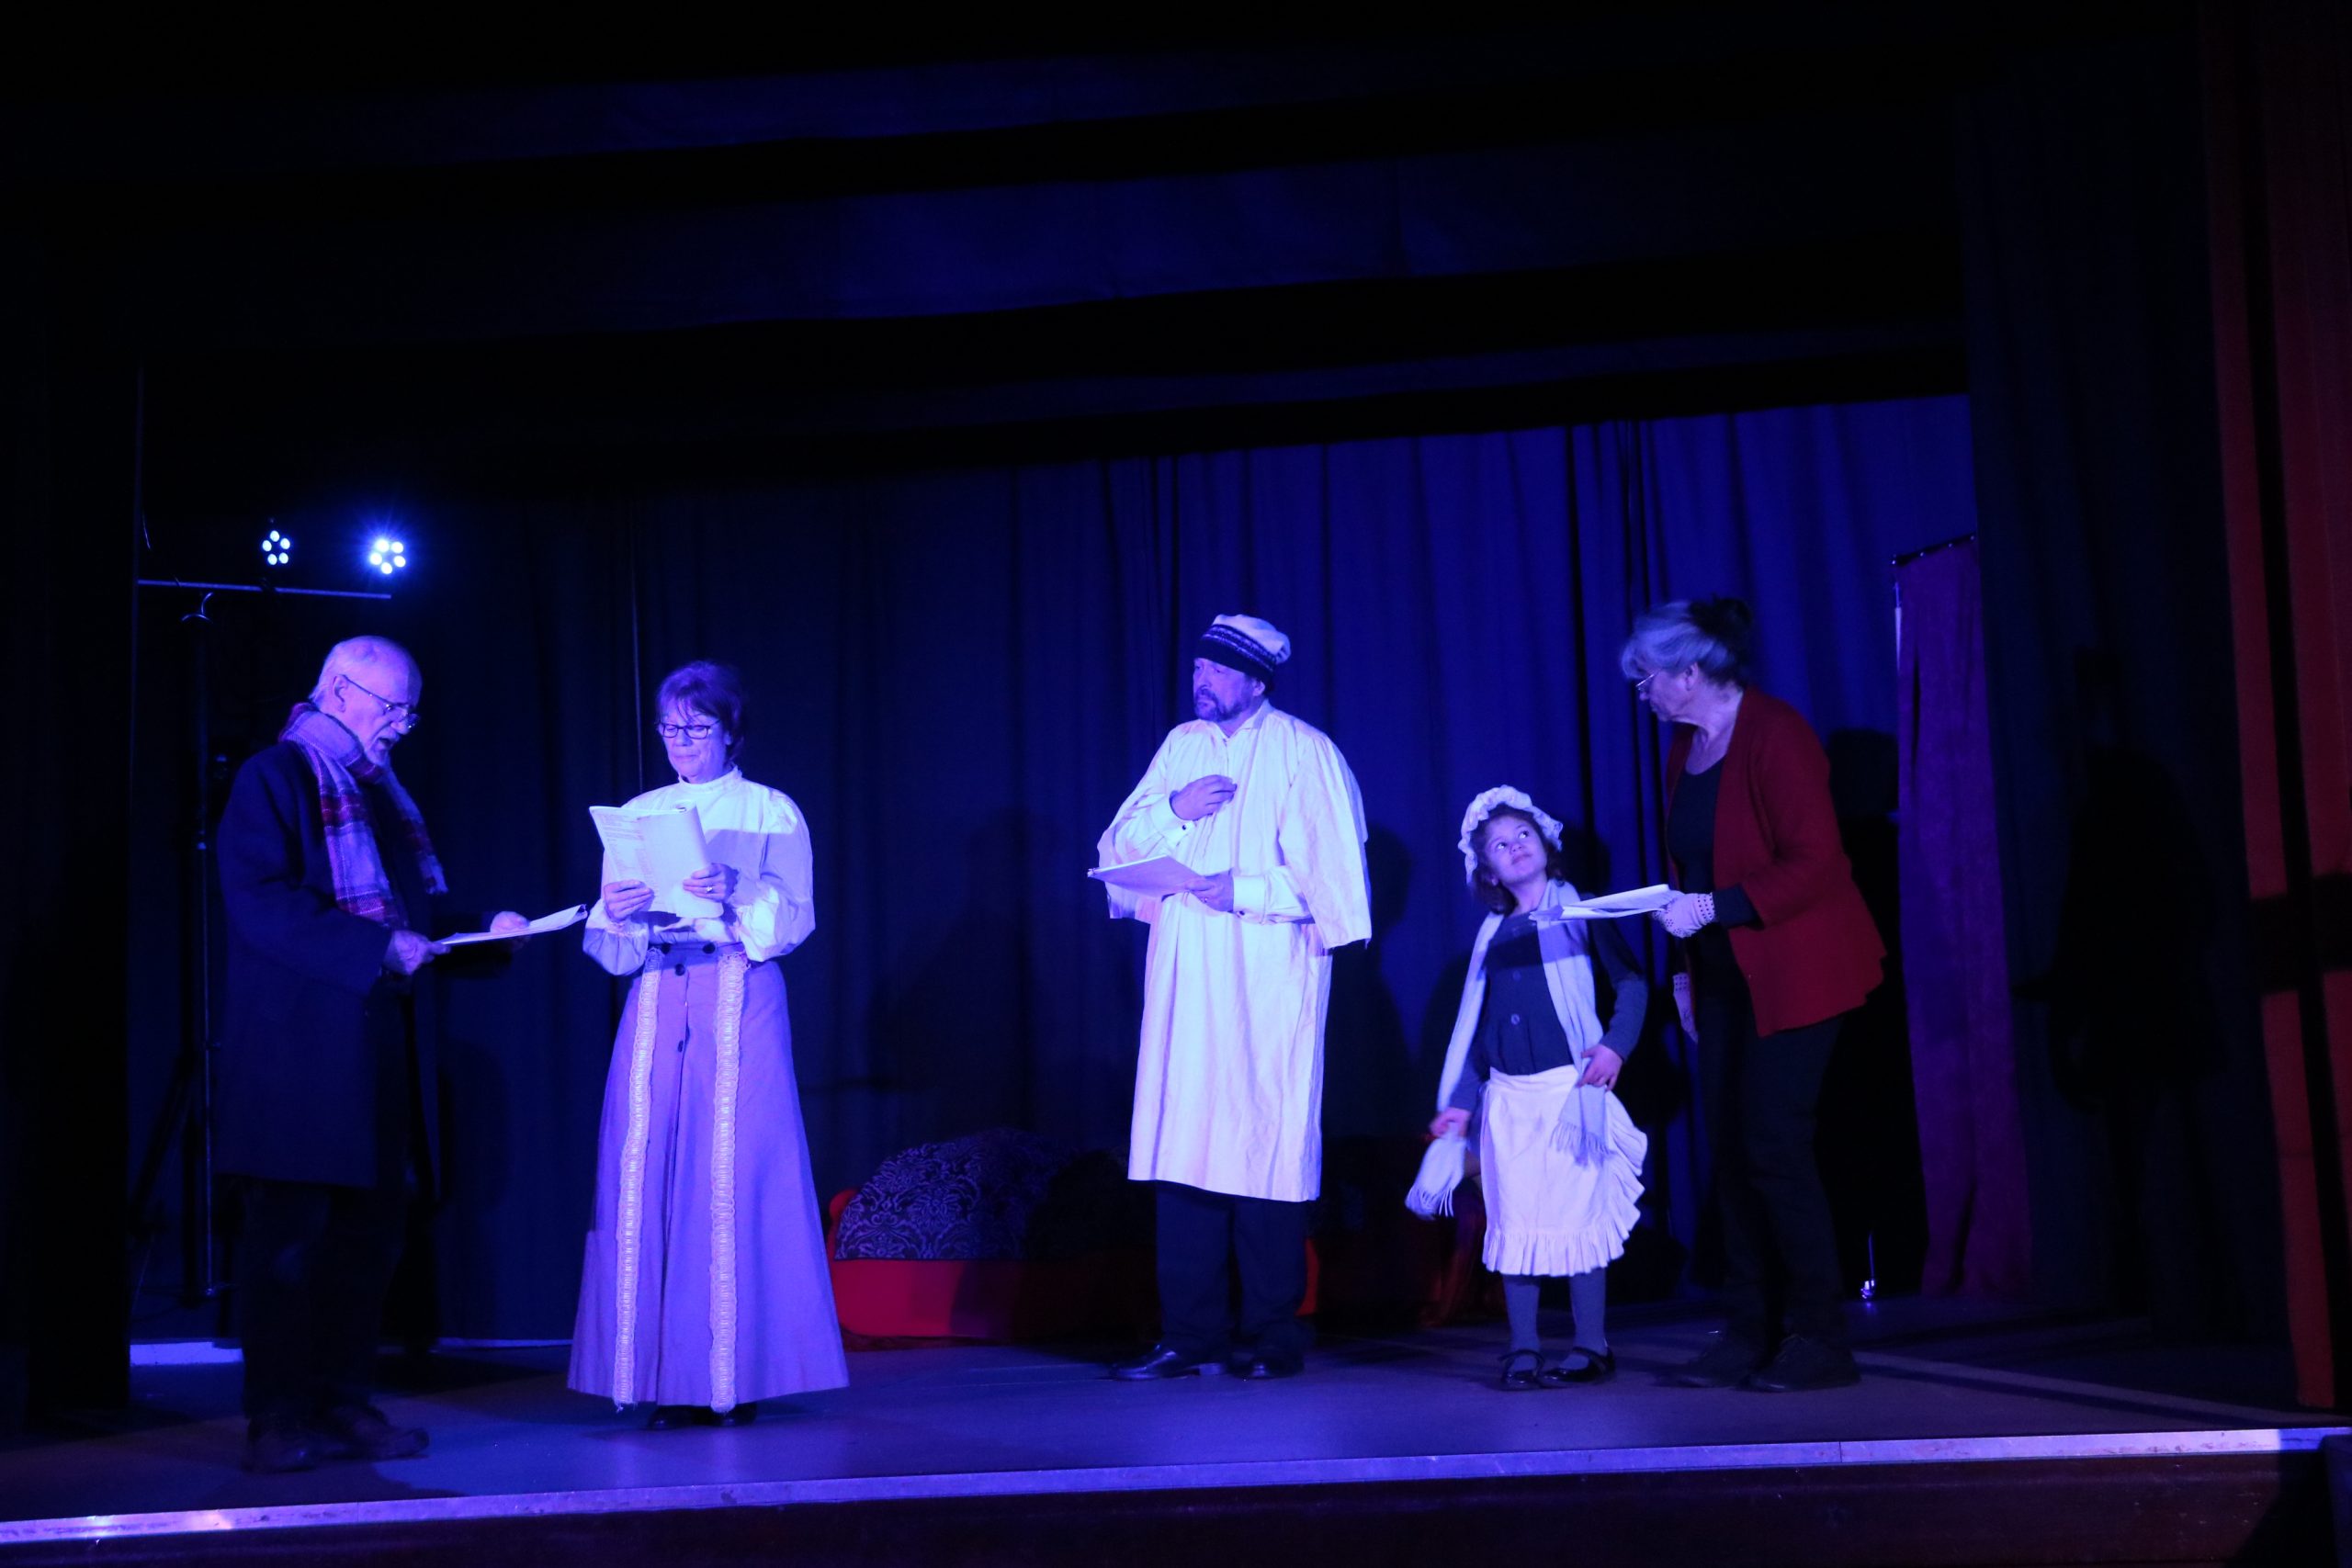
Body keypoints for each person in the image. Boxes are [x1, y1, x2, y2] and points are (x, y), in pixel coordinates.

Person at [217, 636, 527, 1473]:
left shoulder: (379, 793)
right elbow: (262, 905)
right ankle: (277, 1416)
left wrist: (486, 934)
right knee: (288, 1245)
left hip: (377, 1051)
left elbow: (408, 917)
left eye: (410, 712)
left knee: (367, 1243)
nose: (402, 725)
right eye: (393, 707)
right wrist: (379, 950)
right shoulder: (275, 777)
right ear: (338, 691)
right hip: (296, 1057)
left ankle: (344, 1401)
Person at [570, 660, 846, 1427]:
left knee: (730, 1174)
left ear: (730, 731)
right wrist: (618, 909)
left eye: (697, 726)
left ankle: (729, 1376)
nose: (681, 740)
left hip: (737, 988)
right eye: (671, 726)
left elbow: (794, 917)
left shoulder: (770, 810)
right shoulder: (641, 813)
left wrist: (737, 889)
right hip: (658, 991)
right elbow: (613, 947)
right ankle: (656, 1376)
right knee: (646, 1168)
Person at [1098, 615, 1371, 1380]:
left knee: (1262, 1142)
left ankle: (1274, 1334)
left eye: (1217, 671)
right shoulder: (1182, 747)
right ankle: (1189, 1336)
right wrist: (1175, 810)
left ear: (1255, 679)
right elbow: (1118, 847)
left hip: (1267, 977)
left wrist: (1243, 888)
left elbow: (1338, 883)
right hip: (1187, 973)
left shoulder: (1305, 751)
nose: (1201, 681)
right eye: (1197, 669)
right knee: (1184, 1140)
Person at [1625, 597, 1884, 1392]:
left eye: (1648, 676)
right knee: (1732, 1152)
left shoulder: (1776, 733)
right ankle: (1749, 1330)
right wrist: (1684, 973)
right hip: (1723, 976)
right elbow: (1690, 867)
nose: (1642, 691)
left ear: (1691, 671)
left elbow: (1816, 863)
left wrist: (1716, 907)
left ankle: (1820, 1337)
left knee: (1775, 1146)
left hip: (1800, 970)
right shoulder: (1686, 745)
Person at [1429, 789, 1649, 1390]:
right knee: (1516, 1219)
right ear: (1488, 870)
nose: (1515, 846)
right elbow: (1479, 1030)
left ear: (1546, 842)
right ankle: (1523, 1346)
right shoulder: (1492, 934)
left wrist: (1614, 1045)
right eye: (1500, 844)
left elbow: (1631, 982)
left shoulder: (1580, 911)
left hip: (1566, 1090)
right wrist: (1460, 1102)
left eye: (1523, 834)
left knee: (1578, 1215)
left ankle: (1591, 1344)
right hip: (1510, 1101)